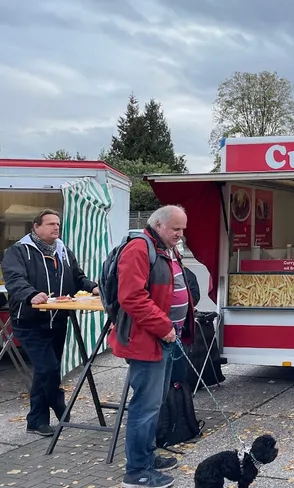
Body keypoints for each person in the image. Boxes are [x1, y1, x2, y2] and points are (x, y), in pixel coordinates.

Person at [109, 205, 195, 488]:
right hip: (149, 341)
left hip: (166, 338)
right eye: (176, 229)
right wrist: (164, 327)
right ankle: (136, 472)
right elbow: (132, 297)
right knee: (144, 407)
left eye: (183, 229)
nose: (180, 235)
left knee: (155, 404)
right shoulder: (138, 249)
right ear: (158, 225)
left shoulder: (166, 248)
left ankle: (146, 457)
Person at [0, 209, 98, 436]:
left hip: (59, 320)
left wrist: (92, 286)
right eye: (51, 224)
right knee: (48, 368)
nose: (56, 228)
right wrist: (31, 294)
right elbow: (15, 279)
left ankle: (36, 421)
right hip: (30, 321)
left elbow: (77, 277)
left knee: (47, 372)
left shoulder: (62, 250)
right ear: (36, 227)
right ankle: (58, 403)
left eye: (58, 224)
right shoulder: (19, 251)